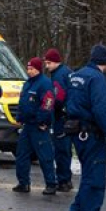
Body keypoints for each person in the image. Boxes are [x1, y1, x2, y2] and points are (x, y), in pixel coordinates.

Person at [64, 44, 106, 211]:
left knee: (88, 175)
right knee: (95, 179)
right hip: (91, 133)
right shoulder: (98, 79)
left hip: (76, 131)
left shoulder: (76, 75)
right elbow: (101, 110)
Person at [13, 57, 58, 195]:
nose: (29, 71)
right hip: (27, 126)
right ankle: (23, 183)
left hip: (39, 126)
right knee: (21, 154)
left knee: (45, 156)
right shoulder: (27, 84)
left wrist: (42, 121)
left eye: (32, 69)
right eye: (28, 68)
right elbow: (23, 102)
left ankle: (51, 184)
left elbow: (48, 103)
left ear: (38, 69)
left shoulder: (44, 83)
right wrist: (19, 117)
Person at [44, 48, 74, 192]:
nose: (47, 66)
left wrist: (50, 109)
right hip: (69, 116)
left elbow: (58, 97)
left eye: (49, 63)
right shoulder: (68, 72)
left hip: (61, 117)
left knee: (61, 149)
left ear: (56, 62)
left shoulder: (58, 76)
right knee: (66, 149)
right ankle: (66, 179)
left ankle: (63, 180)